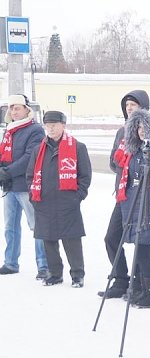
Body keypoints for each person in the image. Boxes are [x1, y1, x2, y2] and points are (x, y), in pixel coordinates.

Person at [98, 90, 150, 301]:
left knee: (140, 242)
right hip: (124, 194)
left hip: (143, 197)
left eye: (134, 105)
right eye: (127, 105)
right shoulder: (122, 133)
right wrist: (124, 167)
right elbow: (113, 161)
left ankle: (140, 285)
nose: (129, 108)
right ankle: (121, 279)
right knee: (112, 237)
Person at [26, 111, 92, 288]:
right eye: (48, 125)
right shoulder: (38, 150)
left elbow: (85, 176)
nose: (51, 128)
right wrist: (34, 197)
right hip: (44, 201)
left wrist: (77, 196)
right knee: (48, 239)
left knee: (72, 239)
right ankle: (55, 274)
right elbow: (30, 176)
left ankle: (77, 275)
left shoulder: (78, 147)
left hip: (67, 202)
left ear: (63, 125)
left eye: (55, 124)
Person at [117, 109, 150, 308]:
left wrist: (148, 193)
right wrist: (133, 195)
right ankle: (144, 290)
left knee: (142, 252)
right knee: (138, 251)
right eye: (137, 127)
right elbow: (130, 181)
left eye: (144, 127)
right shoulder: (135, 152)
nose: (141, 131)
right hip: (133, 207)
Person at [0, 94, 48, 279]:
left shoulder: (34, 129)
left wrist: (8, 171)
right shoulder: (9, 130)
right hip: (10, 186)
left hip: (26, 186)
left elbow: (30, 156)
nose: (13, 111)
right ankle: (10, 263)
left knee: (36, 226)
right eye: (11, 108)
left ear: (27, 109)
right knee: (10, 227)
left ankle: (43, 265)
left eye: (17, 107)